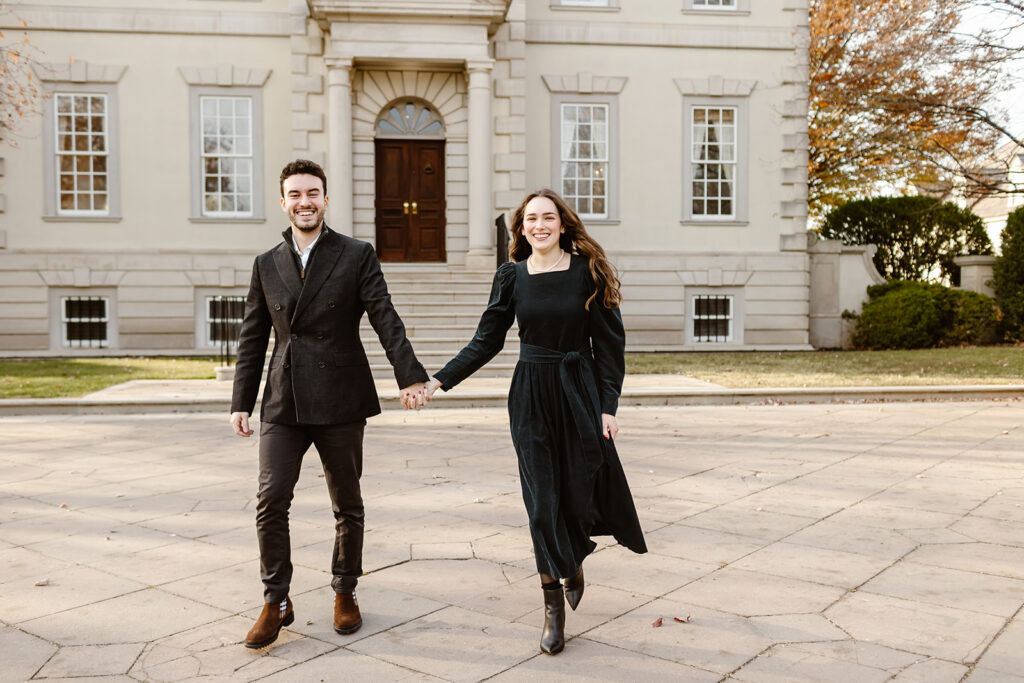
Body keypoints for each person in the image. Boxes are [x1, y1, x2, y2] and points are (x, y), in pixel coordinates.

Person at [420, 188, 647, 655]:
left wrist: (609, 407)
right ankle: (552, 608)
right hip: (530, 396)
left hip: (578, 390)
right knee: (541, 503)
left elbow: (610, 347)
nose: (539, 225)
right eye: (530, 219)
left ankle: (575, 554)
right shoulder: (511, 277)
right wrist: (438, 381)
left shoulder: (589, 273)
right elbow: (486, 341)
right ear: (520, 229)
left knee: (579, 495)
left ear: (563, 224)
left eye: (548, 217)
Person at [230, 159, 428, 649]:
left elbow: (385, 316)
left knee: (347, 503)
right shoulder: (266, 263)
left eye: (313, 192)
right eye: (295, 194)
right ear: (283, 202)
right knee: (271, 499)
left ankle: (345, 590)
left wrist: (410, 376)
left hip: (340, 395)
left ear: (325, 198)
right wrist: (241, 400)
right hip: (283, 398)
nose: (304, 201)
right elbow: (253, 338)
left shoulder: (355, 254)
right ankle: (276, 599)